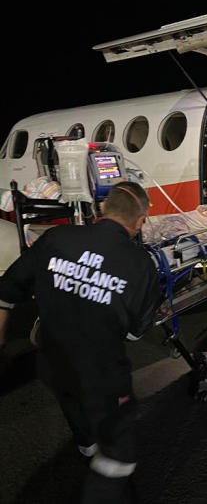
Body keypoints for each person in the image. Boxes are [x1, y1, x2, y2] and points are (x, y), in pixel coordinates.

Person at [0, 181, 160, 503]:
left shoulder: (56, 238)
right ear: (141, 221)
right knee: (117, 436)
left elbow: (5, 294)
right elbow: (133, 332)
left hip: (52, 362)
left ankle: (86, 445)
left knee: (71, 399)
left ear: (102, 209)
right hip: (102, 373)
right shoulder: (141, 265)